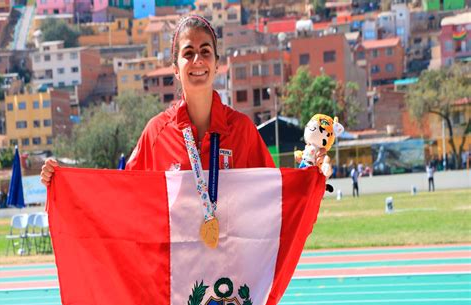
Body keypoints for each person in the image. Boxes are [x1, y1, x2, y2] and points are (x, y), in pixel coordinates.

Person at [41, 15, 327, 183]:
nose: (197, 60)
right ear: (176, 68)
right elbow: (123, 194)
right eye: (188, 53)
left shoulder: (242, 131)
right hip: (173, 279)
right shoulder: (156, 133)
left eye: (205, 51)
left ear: (217, 64)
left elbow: (274, 195)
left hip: (231, 275)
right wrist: (66, 180)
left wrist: (309, 176)